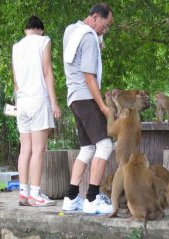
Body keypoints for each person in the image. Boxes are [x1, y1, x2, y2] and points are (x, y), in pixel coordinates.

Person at [62, 3, 114, 214]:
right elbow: (89, 76)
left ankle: (71, 197)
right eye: (105, 24)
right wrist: (102, 106)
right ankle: (92, 199)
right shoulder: (89, 37)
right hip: (86, 97)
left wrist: (97, 39)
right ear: (94, 18)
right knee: (105, 146)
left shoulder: (71, 30)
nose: (105, 30)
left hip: (73, 98)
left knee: (87, 148)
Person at [12, 16, 61, 207]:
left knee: (25, 149)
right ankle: (35, 194)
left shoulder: (16, 46)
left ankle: (23, 194)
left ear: (26, 30)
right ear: (41, 30)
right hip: (38, 100)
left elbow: (15, 80)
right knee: (39, 149)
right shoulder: (44, 41)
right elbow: (47, 72)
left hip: (22, 102)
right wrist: (54, 102)